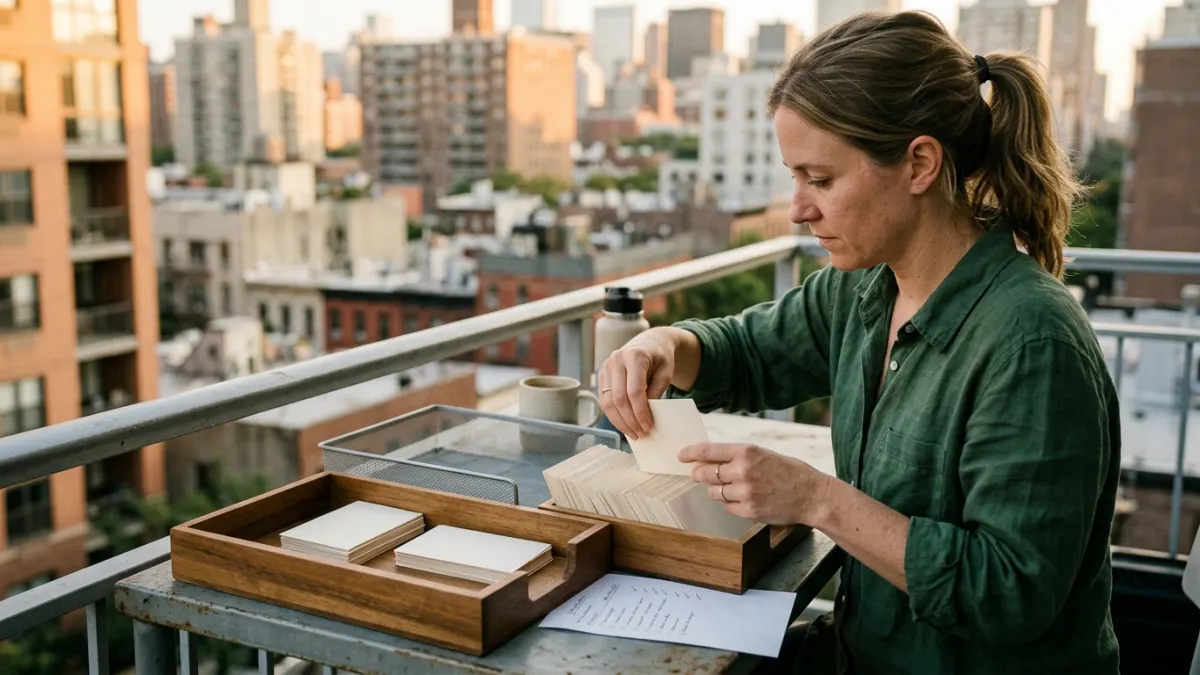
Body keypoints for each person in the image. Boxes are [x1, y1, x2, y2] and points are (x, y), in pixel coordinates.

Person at [596, 10, 1121, 675]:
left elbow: (1009, 592)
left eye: (820, 179)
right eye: (795, 178)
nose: (797, 208)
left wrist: (817, 498)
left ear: (920, 164)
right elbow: (752, 349)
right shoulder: (865, 287)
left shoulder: (1032, 345)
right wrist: (665, 346)